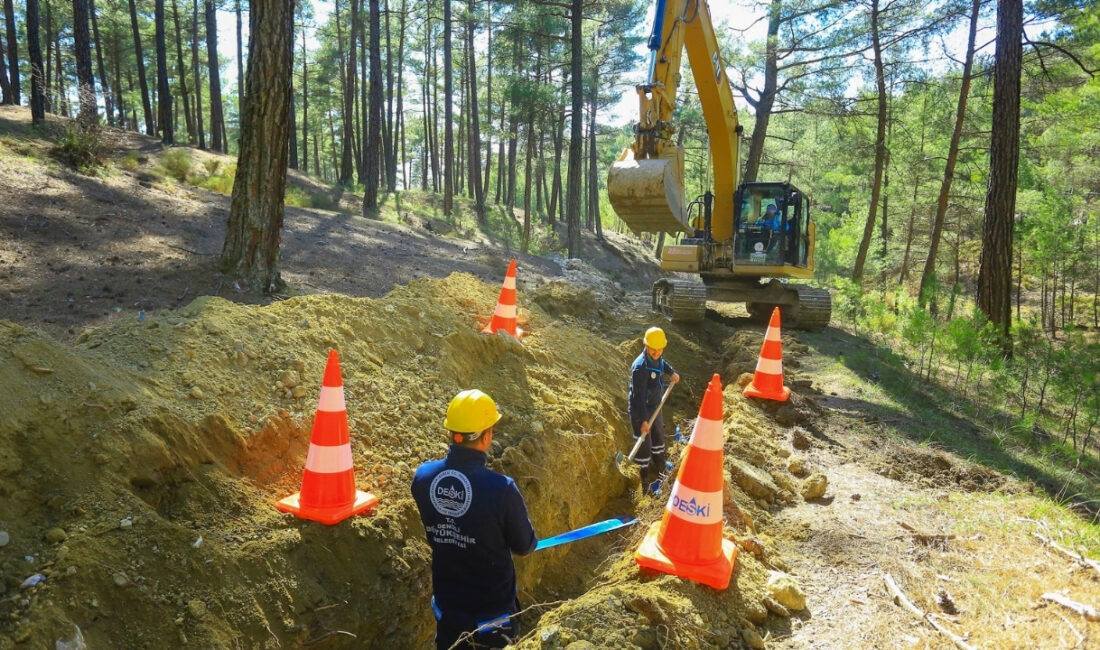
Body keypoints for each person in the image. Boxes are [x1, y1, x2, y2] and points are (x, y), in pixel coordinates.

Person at [412, 389, 538, 650]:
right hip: (492, 618)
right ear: (487, 435)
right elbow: (525, 546)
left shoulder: (423, 478)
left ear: (452, 433)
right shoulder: (500, 489)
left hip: (448, 612)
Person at [628, 327, 681, 496]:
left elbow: (662, 364)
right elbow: (638, 397)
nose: (657, 352)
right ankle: (644, 477)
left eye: (660, 349)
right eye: (653, 349)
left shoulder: (657, 357)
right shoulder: (640, 368)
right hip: (640, 409)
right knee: (644, 442)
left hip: (655, 405)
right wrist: (643, 420)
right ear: (645, 345)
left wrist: (671, 372)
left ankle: (660, 463)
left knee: (658, 432)